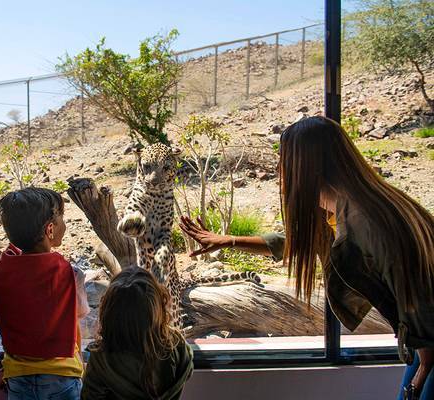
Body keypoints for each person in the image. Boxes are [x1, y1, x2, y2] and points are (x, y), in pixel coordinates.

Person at [180, 116, 434, 399]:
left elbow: (417, 294)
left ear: (305, 168)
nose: (280, 170)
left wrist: (425, 365)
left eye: (286, 161)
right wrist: (229, 241)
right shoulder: (354, 206)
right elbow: (299, 241)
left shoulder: (364, 224)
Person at [0, 187, 89, 400]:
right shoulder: (70, 273)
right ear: (50, 229)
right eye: (62, 217)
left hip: (18, 377)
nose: (66, 223)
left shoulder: (0, 269)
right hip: (62, 376)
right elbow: (77, 321)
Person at [81, 267, 194, 400]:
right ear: (157, 308)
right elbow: (188, 369)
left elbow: (89, 396)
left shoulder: (102, 357)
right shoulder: (176, 345)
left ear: (109, 313)